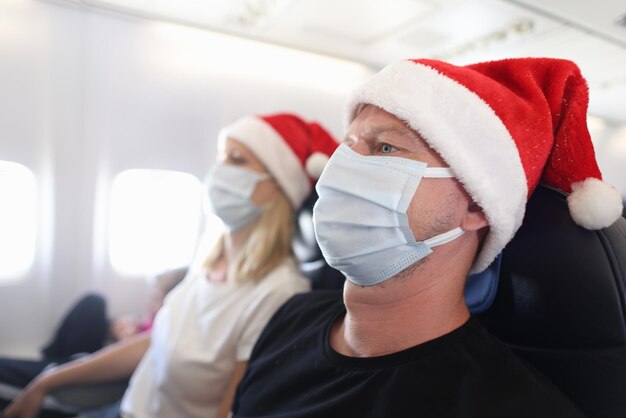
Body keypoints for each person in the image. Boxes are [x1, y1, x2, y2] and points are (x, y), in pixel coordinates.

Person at [231, 58, 624, 417]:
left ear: (475, 207)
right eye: (347, 146)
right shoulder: (289, 318)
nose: (344, 168)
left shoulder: (514, 406)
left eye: (386, 147)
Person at [2, 113, 339, 418]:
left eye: (236, 160)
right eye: (221, 157)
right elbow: (157, 342)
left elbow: (232, 409)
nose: (219, 171)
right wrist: (48, 380)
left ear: (278, 188)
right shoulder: (210, 261)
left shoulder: (277, 292)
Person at [0, 267, 186, 413]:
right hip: (83, 358)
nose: (149, 304)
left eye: (156, 299)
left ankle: (50, 366)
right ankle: (49, 359)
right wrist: (117, 328)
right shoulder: (152, 323)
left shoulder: (163, 337)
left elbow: (133, 354)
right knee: (94, 302)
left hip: (90, 375)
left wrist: (127, 341)